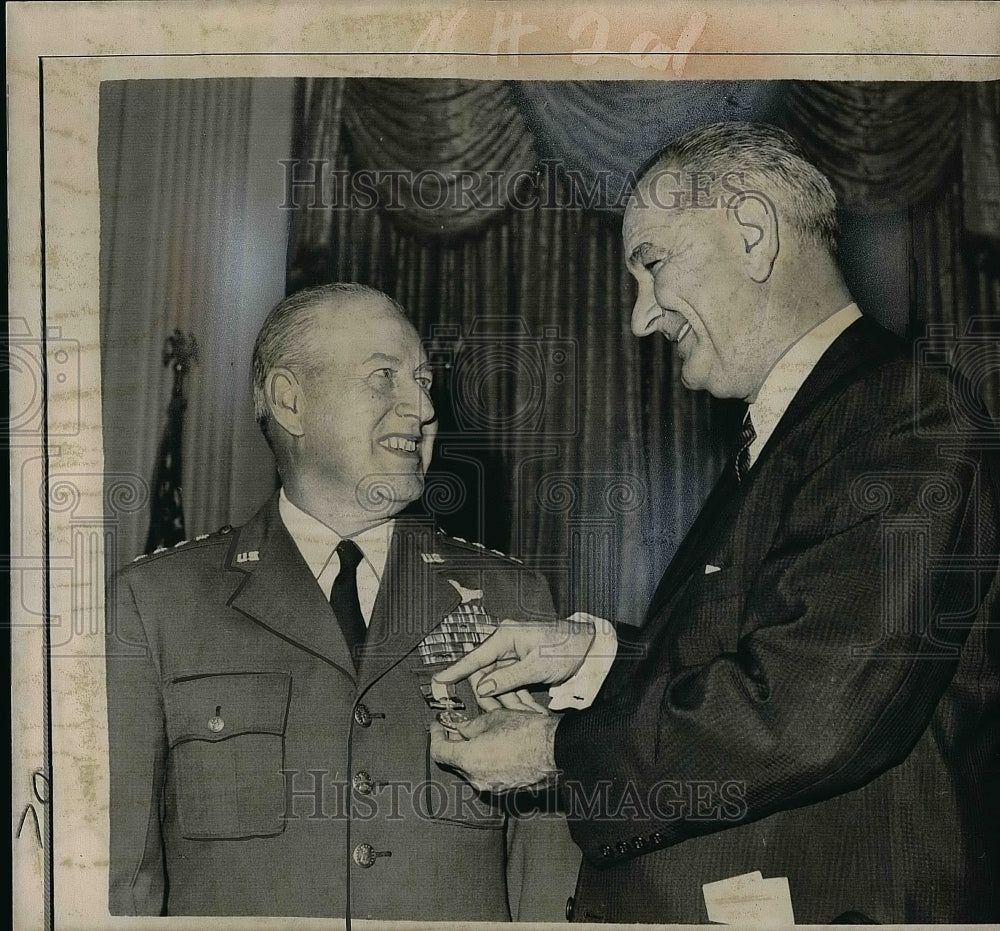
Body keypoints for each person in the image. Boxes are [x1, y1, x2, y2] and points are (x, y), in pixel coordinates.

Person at [430, 123, 1000, 923]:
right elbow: (760, 646)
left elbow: (806, 708)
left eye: (653, 265)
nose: (641, 318)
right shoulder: (812, 423)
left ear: (754, 236)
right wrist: (588, 655)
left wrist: (552, 748)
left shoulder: (904, 413)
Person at [105, 283, 580, 919]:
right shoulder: (154, 605)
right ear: (289, 400)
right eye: (384, 376)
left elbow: (544, 879)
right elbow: (122, 880)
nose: (422, 407)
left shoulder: (511, 598)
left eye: (423, 381)